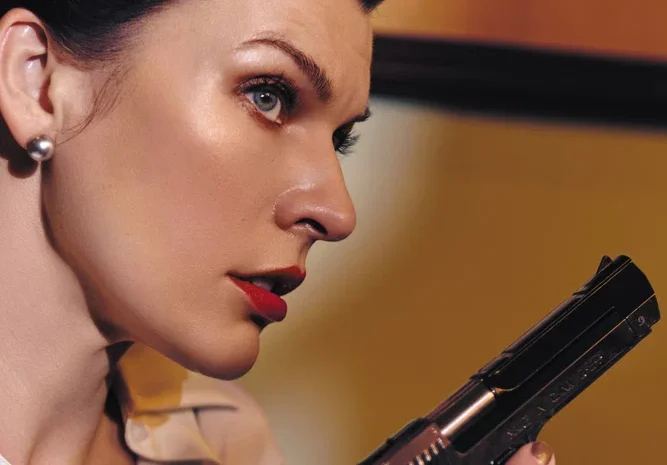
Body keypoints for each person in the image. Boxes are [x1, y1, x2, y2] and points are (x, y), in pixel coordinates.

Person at [0, 1, 557, 464]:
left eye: (339, 140)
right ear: (36, 82)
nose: (338, 213)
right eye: (268, 96)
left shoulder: (226, 443)